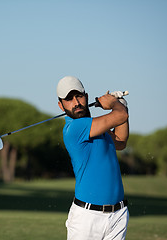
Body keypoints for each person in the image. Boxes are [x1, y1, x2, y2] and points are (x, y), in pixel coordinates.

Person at [56, 76, 130, 240]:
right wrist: (113, 104)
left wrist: (121, 105)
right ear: (61, 105)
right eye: (69, 99)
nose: (76, 103)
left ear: (86, 96)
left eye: (79, 96)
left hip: (118, 215)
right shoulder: (74, 128)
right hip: (87, 219)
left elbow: (121, 142)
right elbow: (120, 116)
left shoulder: (98, 128)